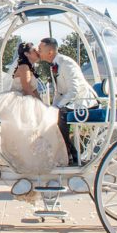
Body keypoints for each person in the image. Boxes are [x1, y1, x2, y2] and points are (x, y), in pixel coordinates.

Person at [0, 42, 68, 174]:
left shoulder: (30, 67)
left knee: (44, 122)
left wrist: (42, 104)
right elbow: (26, 89)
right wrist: (39, 104)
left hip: (28, 98)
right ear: (27, 54)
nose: (37, 53)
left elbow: (33, 89)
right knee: (30, 128)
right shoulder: (24, 67)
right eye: (34, 51)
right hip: (20, 100)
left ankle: (41, 156)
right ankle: (26, 159)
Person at [37, 37, 99, 165]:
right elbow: (59, 92)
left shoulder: (66, 63)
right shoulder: (53, 65)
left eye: (40, 49)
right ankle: (67, 153)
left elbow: (74, 90)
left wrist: (57, 107)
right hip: (72, 102)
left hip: (85, 101)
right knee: (52, 116)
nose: (38, 52)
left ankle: (69, 155)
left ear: (50, 52)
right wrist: (52, 107)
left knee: (61, 115)